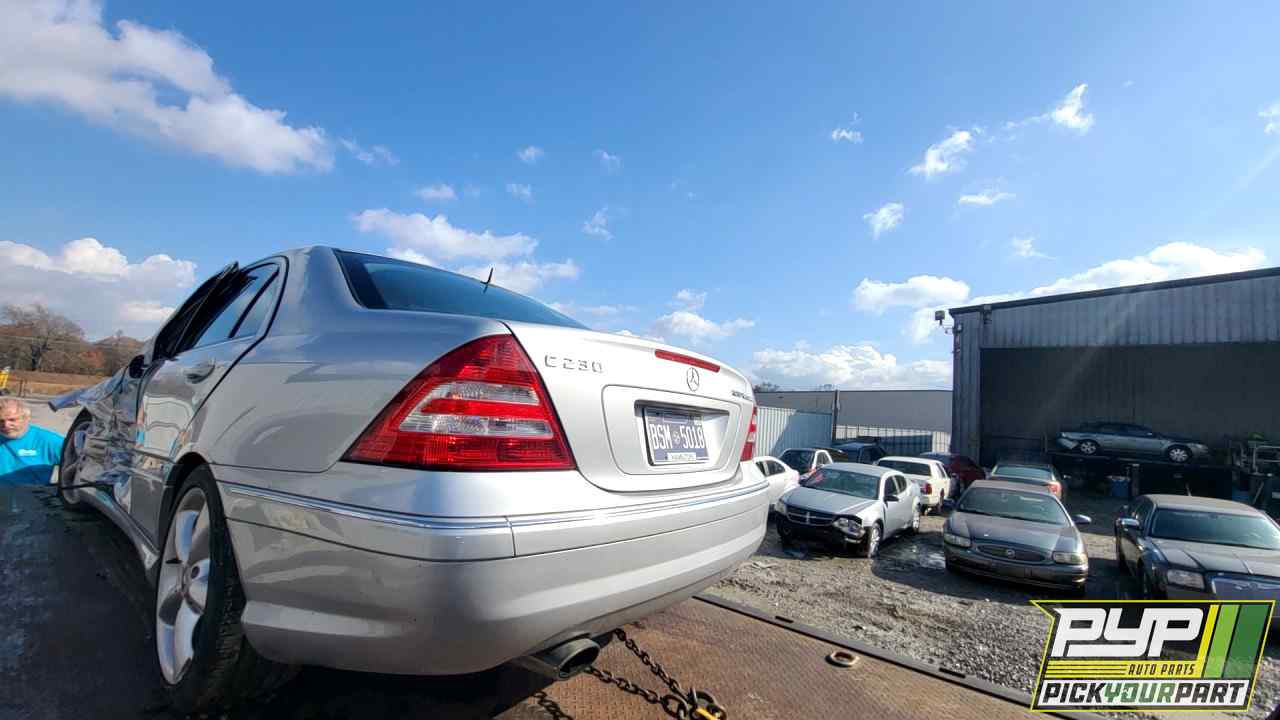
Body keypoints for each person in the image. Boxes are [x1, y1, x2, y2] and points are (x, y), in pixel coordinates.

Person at [0, 397, 64, 489]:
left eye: (12, 420)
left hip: (34, 494)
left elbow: (77, 466)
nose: (6, 425)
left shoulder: (50, 441)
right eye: (1, 421)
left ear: (26, 418)